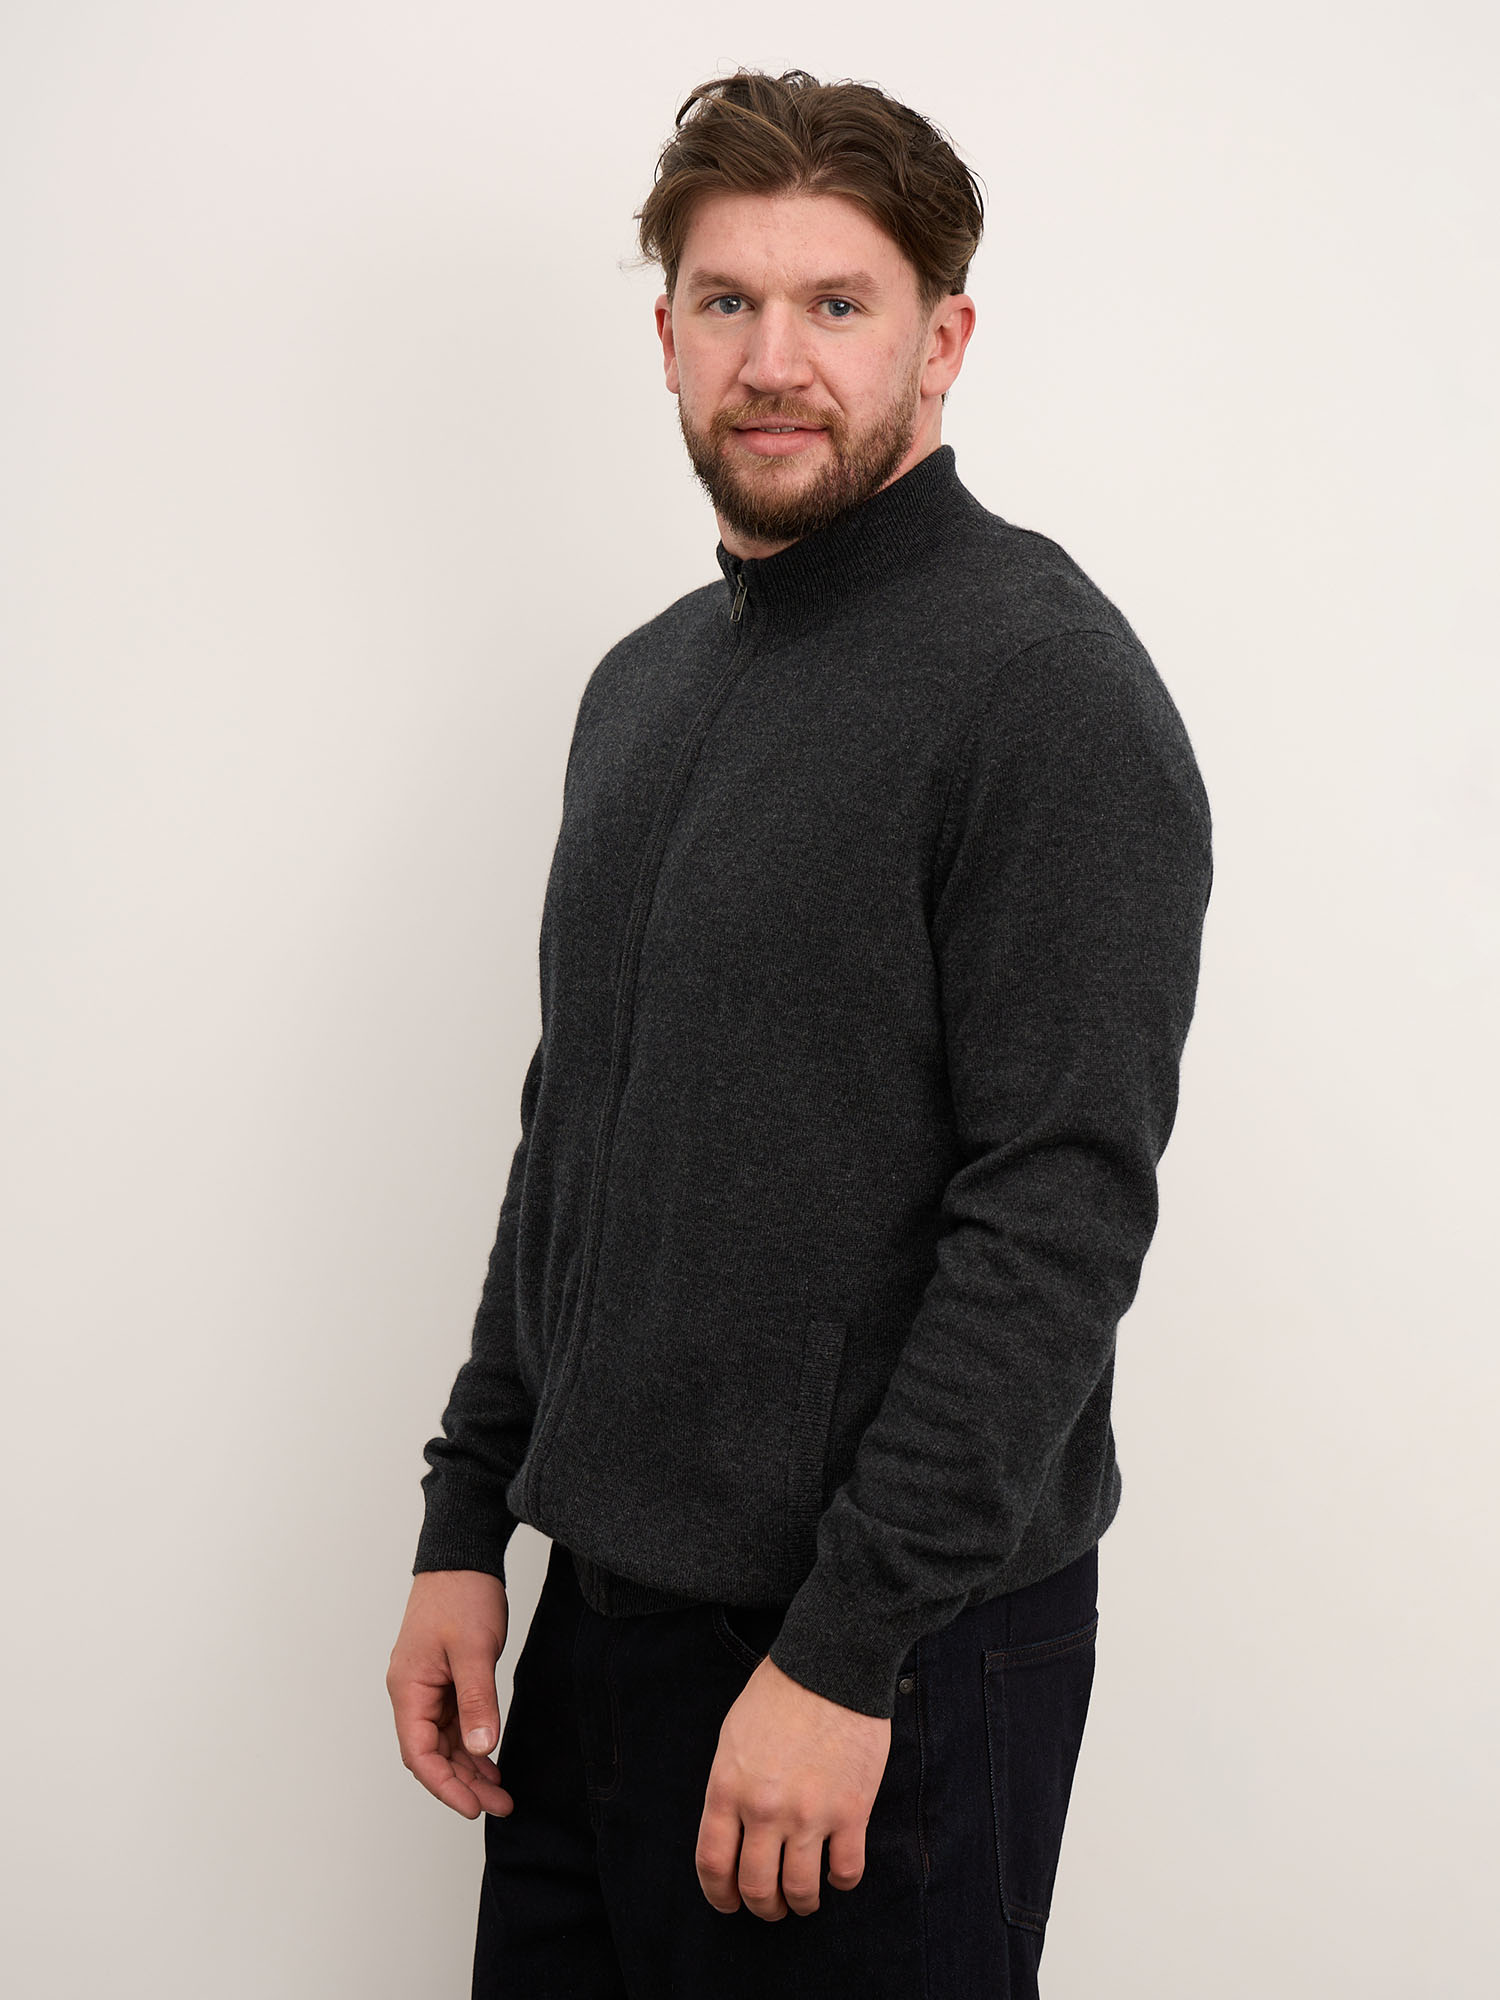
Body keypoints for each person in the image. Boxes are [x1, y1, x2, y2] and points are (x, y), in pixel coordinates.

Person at [387, 66, 1213, 1999]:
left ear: (944, 339)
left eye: (838, 303)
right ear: (666, 336)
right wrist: (466, 1517)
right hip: (598, 1637)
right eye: (728, 301)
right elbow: (575, 1132)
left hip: (875, 1667)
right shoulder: (645, 688)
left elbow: (1058, 1218)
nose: (776, 360)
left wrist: (846, 1652)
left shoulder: (1045, 690)